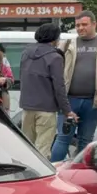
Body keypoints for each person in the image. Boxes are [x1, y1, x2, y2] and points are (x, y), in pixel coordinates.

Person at [50, 11, 97, 162]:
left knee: (86, 141)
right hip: (69, 101)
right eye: (78, 25)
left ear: (94, 24)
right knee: (63, 139)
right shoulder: (68, 44)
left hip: (94, 102)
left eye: (84, 24)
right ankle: (54, 172)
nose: (80, 28)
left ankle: (81, 174)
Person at [18, 23, 75, 158]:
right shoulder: (55, 57)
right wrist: (67, 111)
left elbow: (22, 77)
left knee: (27, 146)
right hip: (46, 109)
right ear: (55, 38)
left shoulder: (26, 52)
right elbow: (59, 87)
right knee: (42, 149)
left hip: (27, 107)